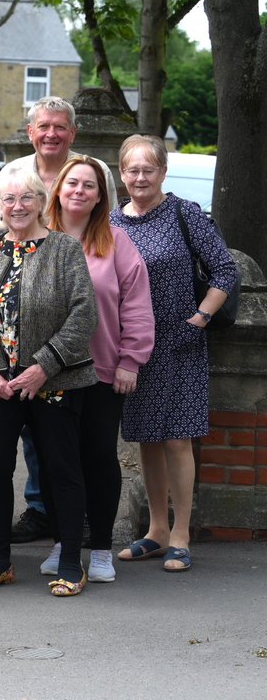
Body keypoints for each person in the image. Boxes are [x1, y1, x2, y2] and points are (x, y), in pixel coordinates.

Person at [0, 165, 97, 596]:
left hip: (54, 383)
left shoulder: (64, 250)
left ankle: (71, 562)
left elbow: (83, 314)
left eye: (26, 198)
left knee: (61, 471)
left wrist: (43, 367)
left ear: (41, 202)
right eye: (8, 199)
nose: (17, 206)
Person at [111, 134, 238, 573]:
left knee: (177, 438)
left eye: (149, 169)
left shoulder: (184, 213)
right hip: (134, 347)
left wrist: (200, 318)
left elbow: (225, 269)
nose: (140, 177)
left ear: (163, 172)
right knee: (146, 437)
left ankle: (182, 533)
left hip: (180, 342)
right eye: (132, 170)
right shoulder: (112, 222)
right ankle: (156, 530)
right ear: (121, 174)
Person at [0, 96, 114, 544]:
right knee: (31, 429)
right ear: (30, 132)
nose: (51, 133)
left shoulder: (91, 172)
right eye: (43, 126)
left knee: (69, 434)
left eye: (60, 127)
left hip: (74, 324)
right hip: (22, 316)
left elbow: (110, 221)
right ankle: (40, 507)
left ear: (73, 132)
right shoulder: (14, 174)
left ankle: (72, 513)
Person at [45, 155, 154, 582]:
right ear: (58, 189)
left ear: (100, 197)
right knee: (56, 463)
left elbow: (138, 308)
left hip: (103, 372)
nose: (78, 191)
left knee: (98, 460)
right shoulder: (40, 237)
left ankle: (101, 548)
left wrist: (131, 361)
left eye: (88, 186)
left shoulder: (116, 242)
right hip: (48, 375)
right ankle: (62, 542)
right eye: (72, 183)